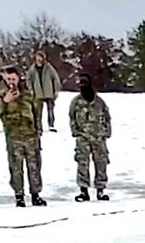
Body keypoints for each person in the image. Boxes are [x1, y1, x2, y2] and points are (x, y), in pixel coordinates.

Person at [0, 63, 46, 207]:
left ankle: (36, 194)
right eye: (9, 79)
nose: (11, 82)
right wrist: (5, 102)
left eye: (13, 79)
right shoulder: (1, 94)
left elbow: (37, 112)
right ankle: (19, 195)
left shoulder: (28, 93)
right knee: (16, 167)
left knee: (34, 165)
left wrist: (38, 130)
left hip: (30, 135)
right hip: (13, 135)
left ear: (18, 78)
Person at [69, 73, 112, 201]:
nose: (83, 85)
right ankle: (83, 191)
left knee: (101, 163)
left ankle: (100, 190)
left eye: (85, 82)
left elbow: (107, 117)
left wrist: (106, 132)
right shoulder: (76, 102)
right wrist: (75, 132)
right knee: (82, 163)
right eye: (81, 83)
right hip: (83, 138)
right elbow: (72, 118)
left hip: (99, 137)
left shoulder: (99, 102)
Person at [26, 49, 62, 132]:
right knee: (38, 112)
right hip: (38, 93)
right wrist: (31, 89)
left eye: (40, 57)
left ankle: (51, 125)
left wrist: (56, 90)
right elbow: (28, 79)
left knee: (50, 110)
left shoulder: (49, 68)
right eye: (37, 57)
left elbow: (56, 78)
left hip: (49, 92)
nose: (38, 59)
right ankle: (38, 127)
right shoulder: (32, 69)